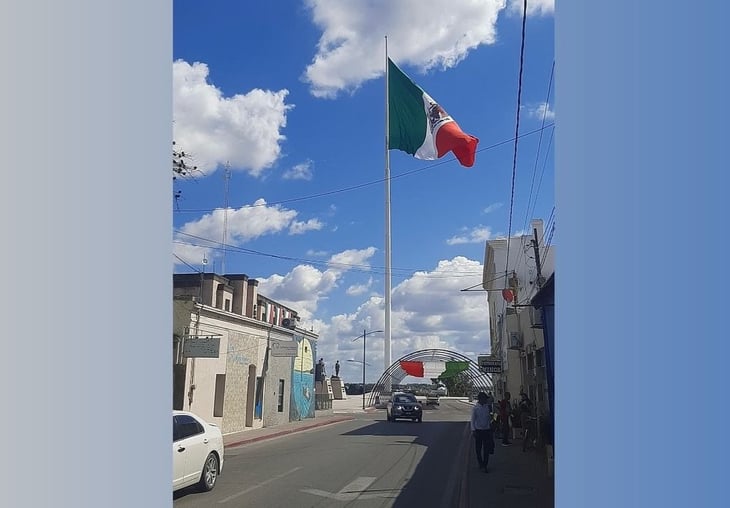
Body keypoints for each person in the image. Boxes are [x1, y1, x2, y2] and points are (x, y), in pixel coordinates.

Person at [471, 392, 495, 473]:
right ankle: (480, 463)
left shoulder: (487, 407)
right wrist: (473, 430)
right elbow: (473, 420)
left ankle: (485, 465)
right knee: (478, 449)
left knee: (486, 449)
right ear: (481, 399)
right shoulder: (475, 408)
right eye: (485, 399)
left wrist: (491, 423)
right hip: (478, 431)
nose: (486, 400)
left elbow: (489, 417)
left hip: (486, 430)